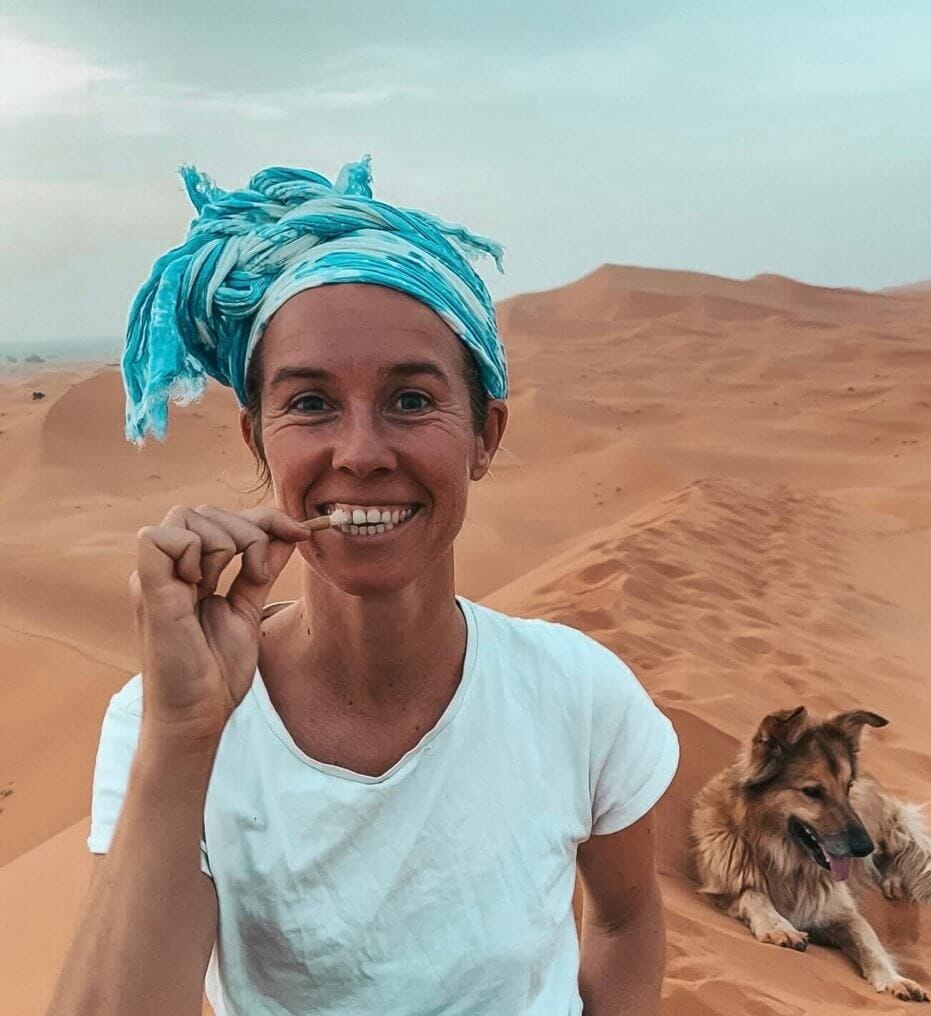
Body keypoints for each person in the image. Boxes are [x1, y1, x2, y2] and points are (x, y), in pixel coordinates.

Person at [48, 157, 680, 1015]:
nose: (360, 452)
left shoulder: (579, 696)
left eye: (412, 401)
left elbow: (627, 917)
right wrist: (183, 733)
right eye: (309, 404)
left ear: (484, 435)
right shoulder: (159, 725)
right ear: (258, 440)